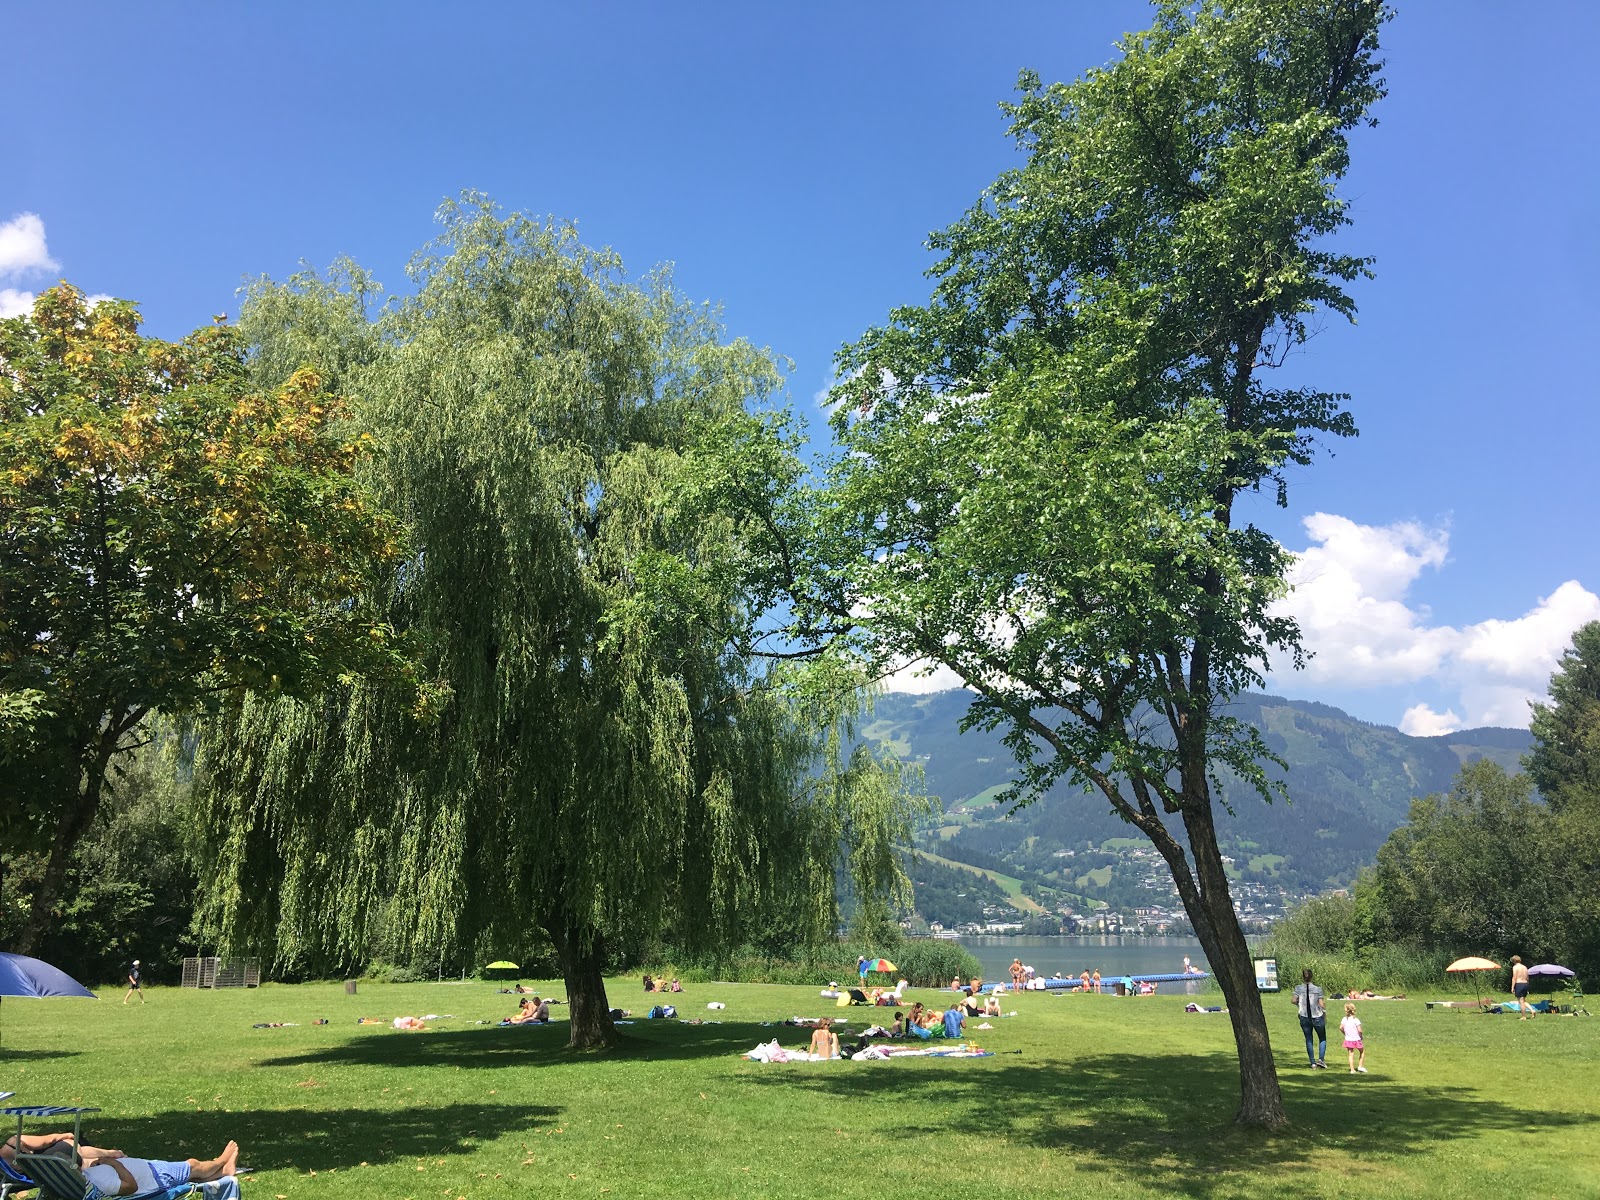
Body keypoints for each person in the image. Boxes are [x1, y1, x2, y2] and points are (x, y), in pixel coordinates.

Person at [1291, 968, 1328, 1068]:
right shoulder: (1317, 989)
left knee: (1309, 1039)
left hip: (1304, 1016)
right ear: (1311, 977)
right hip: (1316, 1016)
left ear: (1303, 977)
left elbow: (1293, 1000)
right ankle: (1321, 1059)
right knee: (1322, 1038)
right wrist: (1324, 1012)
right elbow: (1321, 1003)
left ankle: (1312, 1062)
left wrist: (1300, 1004)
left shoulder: (1298, 988)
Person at [1340, 1003, 1366, 1073]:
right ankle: (1360, 1066)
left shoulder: (1344, 1019)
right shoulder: (1356, 1020)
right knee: (1362, 1051)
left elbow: (1341, 1028)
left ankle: (1352, 1069)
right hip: (1356, 1039)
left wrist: (1345, 1033)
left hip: (1348, 1039)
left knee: (1350, 1054)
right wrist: (1361, 1036)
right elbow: (1360, 1030)